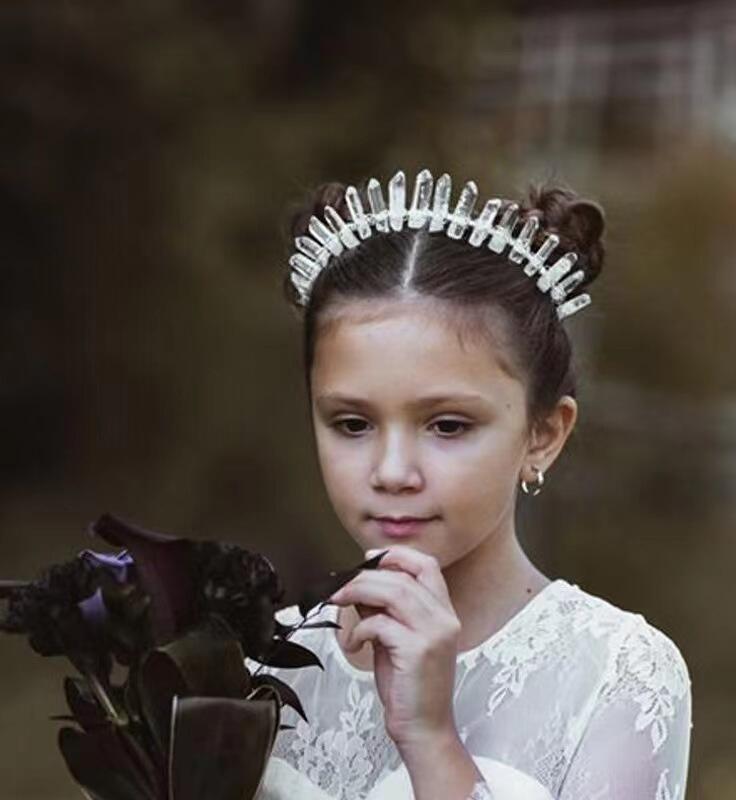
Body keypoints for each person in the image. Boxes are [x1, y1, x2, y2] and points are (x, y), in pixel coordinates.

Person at [248, 168, 693, 800]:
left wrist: (430, 739)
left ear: (544, 434)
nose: (392, 471)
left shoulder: (619, 676)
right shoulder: (263, 663)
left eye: (448, 425)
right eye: (352, 423)